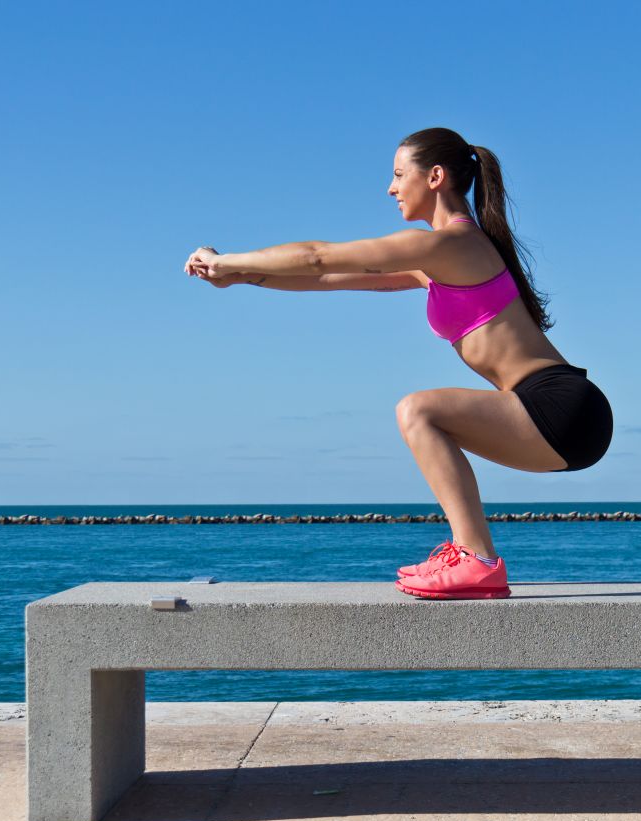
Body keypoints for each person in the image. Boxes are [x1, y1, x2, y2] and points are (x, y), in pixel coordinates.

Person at [182, 126, 613, 601]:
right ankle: (472, 556)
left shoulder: (451, 246)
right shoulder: (437, 260)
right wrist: (241, 277)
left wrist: (226, 261)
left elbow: (316, 254)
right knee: (420, 412)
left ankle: (477, 559)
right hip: (559, 415)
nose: (390, 188)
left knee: (418, 410)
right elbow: (326, 275)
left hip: (560, 406)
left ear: (434, 177)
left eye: (397, 174)